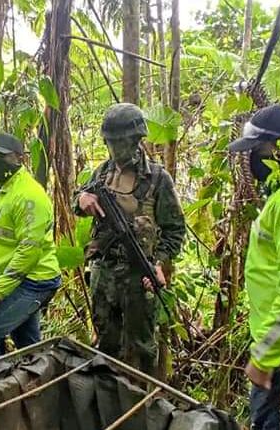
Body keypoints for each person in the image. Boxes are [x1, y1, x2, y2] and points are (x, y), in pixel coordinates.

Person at [73, 103, 185, 375]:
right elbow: (78, 199)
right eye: (110, 142)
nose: (114, 149)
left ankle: (144, 408)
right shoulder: (101, 173)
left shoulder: (157, 179)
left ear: (136, 140)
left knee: (142, 349)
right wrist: (82, 199)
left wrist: (159, 264)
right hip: (104, 274)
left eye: (119, 142)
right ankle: (109, 402)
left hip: (139, 276)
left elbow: (174, 230)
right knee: (105, 345)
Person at [228, 105, 280, 430]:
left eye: (257, 150)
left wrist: (264, 358)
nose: (252, 160)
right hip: (277, 351)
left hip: (279, 358)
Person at [0, 132, 61, 365]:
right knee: (28, 345)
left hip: (35, 280)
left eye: (1, 157)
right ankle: (39, 388)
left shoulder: (29, 196)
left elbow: (28, 251)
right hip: (17, 278)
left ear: (19, 158)